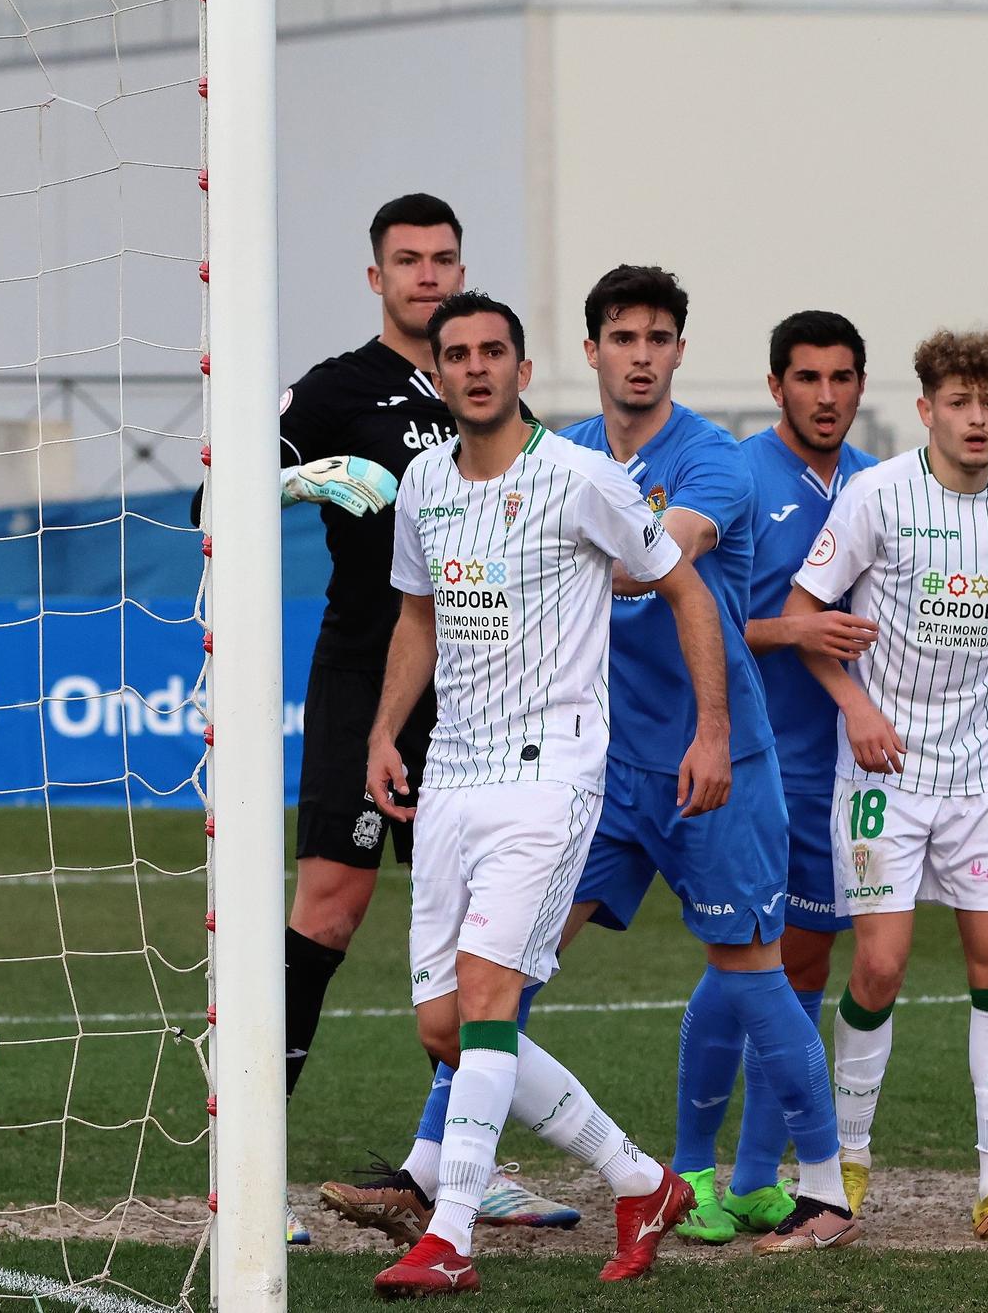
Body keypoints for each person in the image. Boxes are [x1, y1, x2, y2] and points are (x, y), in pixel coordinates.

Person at [364, 291, 705, 1295]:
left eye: (493, 352)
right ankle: (639, 1179)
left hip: (550, 775)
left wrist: (714, 728)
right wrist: (383, 730)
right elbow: (417, 616)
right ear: (436, 375)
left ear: (522, 369)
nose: (475, 367)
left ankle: (450, 1237)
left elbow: (681, 586)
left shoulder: (583, 477)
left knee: (485, 998)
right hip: (450, 776)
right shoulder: (423, 481)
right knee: (447, 1027)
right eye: (456, 354)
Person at [552, 265, 859, 1254]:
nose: (640, 354)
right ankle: (438, 1173)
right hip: (601, 770)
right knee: (507, 968)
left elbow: (653, 559)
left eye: (657, 338)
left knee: (756, 970)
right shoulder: (561, 454)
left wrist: (545, 544)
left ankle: (821, 1192)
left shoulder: (714, 461)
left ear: (679, 351)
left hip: (714, 760)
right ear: (591, 349)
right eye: (622, 337)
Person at [286, 196, 576, 1245]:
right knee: (329, 908)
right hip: (367, 678)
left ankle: (464, 1164)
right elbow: (207, 500)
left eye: (442, 258)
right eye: (406, 260)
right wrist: (305, 476)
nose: (425, 274)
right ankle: (249, 1164)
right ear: (376, 278)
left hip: (488, 694)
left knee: (478, 942)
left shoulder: (485, 388)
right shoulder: (335, 390)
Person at [783, 327, 988, 1240]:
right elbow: (804, 616)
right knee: (879, 965)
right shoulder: (877, 495)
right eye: (959, 402)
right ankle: (848, 1159)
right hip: (883, 771)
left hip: (983, 771)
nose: (976, 418)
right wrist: (855, 706)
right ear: (926, 409)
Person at [702, 311, 878, 1225]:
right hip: (759, 760)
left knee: (804, 960)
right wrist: (795, 628)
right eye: (807, 377)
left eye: (841, 377)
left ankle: (751, 1177)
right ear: (776, 386)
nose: (825, 394)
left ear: (860, 386)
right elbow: (698, 612)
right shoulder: (738, 476)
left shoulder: (877, 484)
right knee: (744, 957)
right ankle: (694, 1171)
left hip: (845, 769)